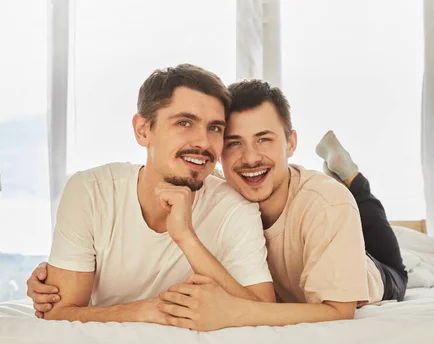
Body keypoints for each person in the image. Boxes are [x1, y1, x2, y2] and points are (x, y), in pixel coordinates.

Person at [28, 78, 407, 331]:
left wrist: (236, 312)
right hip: (288, 282)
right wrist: (53, 275)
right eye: (232, 142)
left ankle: (352, 175)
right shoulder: (214, 182)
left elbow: (338, 313)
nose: (249, 157)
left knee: (381, 242)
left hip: (370, 272)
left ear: (291, 143)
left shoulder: (325, 205)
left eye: (264, 140)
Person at [25, 65, 275, 323]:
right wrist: (144, 311)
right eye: (184, 123)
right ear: (143, 130)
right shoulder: (91, 191)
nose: (203, 142)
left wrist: (186, 237)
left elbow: (264, 312)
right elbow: (57, 313)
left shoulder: (234, 206)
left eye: (214, 128)